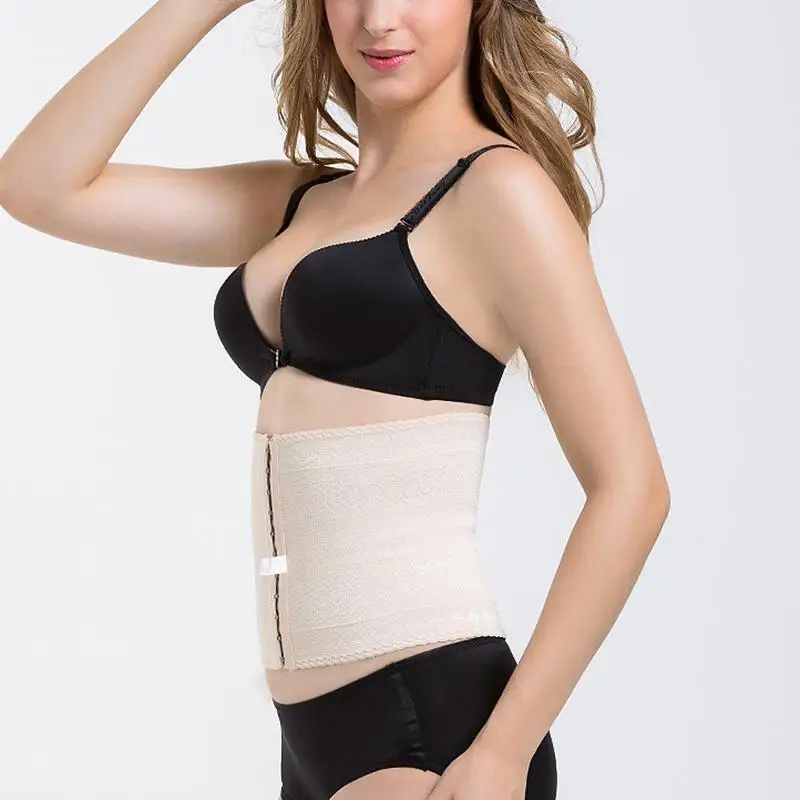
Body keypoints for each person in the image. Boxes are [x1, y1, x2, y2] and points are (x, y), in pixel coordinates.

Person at [0, 0, 671, 798]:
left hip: (432, 725)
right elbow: (40, 186)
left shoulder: (499, 191)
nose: (379, 18)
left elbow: (632, 488)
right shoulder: (300, 204)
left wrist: (504, 750)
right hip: (310, 739)